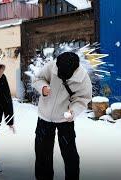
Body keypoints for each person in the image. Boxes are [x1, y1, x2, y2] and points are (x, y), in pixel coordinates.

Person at [32, 52, 92, 180]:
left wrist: (73, 111)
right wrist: (43, 87)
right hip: (45, 117)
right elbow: (38, 79)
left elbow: (82, 99)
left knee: (70, 156)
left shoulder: (82, 78)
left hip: (65, 119)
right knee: (42, 154)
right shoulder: (52, 66)